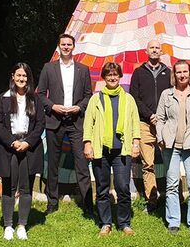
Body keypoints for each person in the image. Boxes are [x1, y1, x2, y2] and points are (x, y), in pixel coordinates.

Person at [37, 33, 93, 216]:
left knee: (82, 164)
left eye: (69, 44)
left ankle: (87, 204)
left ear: (73, 46)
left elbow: (88, 95)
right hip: (55, 120)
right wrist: (53, 106)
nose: (66, 47)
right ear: (59, 46)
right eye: (63, 44)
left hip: (76, 121)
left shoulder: (83, 70)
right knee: (53, 164)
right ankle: (52, 203)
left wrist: (79, 107)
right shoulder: (48, 68)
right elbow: (40, 94)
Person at [83, 62, 141, 236]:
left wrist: (136, 143)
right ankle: (105, 223)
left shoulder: (128, 99)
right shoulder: (96, 99)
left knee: (123, 187)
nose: (112, 77)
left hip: (122, 151)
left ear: (120, 76)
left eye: (115, 74)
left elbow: (135, 123)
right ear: (104, 77)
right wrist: (87, 143)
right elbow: (88, 123)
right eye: (109, 74)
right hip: (101, 150)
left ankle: (124, 223)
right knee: (102, 188)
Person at [0, 63, 46, 241]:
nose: (21, 79)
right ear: (13, 77)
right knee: (8, 187)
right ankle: (8, 225)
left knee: (26, 187)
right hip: (9, 147)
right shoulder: (4, 98)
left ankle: (22, 224)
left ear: (28, 78)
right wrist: (12, 141)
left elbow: (40, 124)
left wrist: (28, 142)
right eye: (18, 75)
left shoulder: (35, 99)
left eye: (25, 76)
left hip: (29, 148)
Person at [155, 60, 190, 234]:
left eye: (185, 72)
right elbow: (160, 119)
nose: (182, 75)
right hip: (171, 146)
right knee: (171, 185)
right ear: (174, 75)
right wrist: (161, 138)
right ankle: (174, 222)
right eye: (178, 72)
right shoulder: (166, 95)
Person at [129, 38, 171, 212]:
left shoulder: (168, 72)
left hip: (166, 124)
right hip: (144, 123)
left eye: (157, 48)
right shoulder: (138, 72)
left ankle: (173, 199)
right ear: (146, 51)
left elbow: (172, 95)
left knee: (171, 162)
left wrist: (161, 116)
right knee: (148, 164)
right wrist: (150, 115)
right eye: (151, 48)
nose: (154, 50)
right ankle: (151, 200)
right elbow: (134, 97)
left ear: (161, 52)